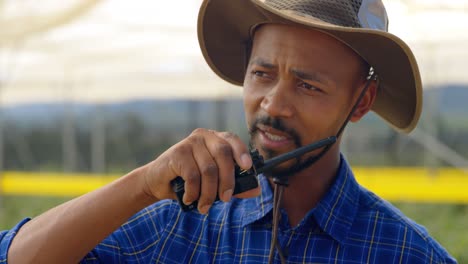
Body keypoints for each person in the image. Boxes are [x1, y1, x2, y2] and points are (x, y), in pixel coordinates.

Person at [0, 0, 457, 263]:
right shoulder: (180, 220)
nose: (273, 104)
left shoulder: (408, 253)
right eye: (261, 74)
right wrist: (142, 185)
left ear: (361, 102)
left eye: (308, 85)